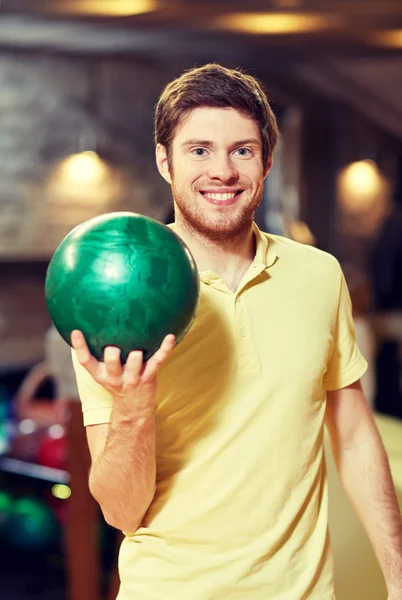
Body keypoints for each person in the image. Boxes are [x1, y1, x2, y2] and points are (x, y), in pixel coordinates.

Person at [71, 64, 402, 600]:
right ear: (165, 161)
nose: (222, 171)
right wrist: (133, 411)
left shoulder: (319, 274)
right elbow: (120, 512)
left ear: (266, 161)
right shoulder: (122, 302)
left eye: (241, 150)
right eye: (199, 150)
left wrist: (397, 575)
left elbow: (356, 433)